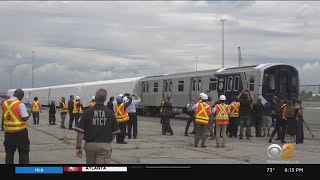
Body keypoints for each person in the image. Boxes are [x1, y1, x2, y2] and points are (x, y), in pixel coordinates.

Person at [74, 88, 120, 164]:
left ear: (95, 98)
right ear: (105, 99)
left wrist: (78, 147)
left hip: (90, 145)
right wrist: (107, 143)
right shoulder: (110, 113)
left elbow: (80, 132)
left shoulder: (86, 112)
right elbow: (114, 133)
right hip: (105, 145)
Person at [2, 89, 31, 164]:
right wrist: (29, 113)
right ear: (20, 96)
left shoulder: (4, 103)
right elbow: (24, 118)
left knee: (9, 154)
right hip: (20, 133)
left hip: (8, 133)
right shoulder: (20, 104)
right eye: (22, 97)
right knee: (23, 153)